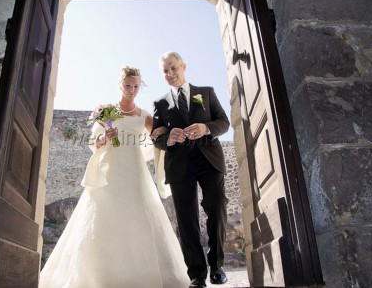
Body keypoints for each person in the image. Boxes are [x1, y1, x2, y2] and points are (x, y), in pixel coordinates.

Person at [39, 66, 190, 288]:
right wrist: (104, 139)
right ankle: (98, 276)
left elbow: (159, 139)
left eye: (136, 86)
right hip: (110, 169)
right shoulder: (107, 112)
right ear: (120, 85)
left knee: (139, 211)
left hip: (135, 170)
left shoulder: (145, 116)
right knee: (104, 211)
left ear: (140, 87)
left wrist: (173, 136)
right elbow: (94, 143)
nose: (132, 90)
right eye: (128, 85)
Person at [152, 52, 230, 288]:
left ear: (183, 66)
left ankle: (216, 266)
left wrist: (206, 128)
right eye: (165, 71)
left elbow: (223, 122)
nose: (170, 74)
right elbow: (156, 137)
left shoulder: (205, 92)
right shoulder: (160, 103)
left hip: (209, 159)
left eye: (173, 68)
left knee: (217, 207)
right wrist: (169, 139)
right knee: (187, 219)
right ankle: (197, 275)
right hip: (179, 165)